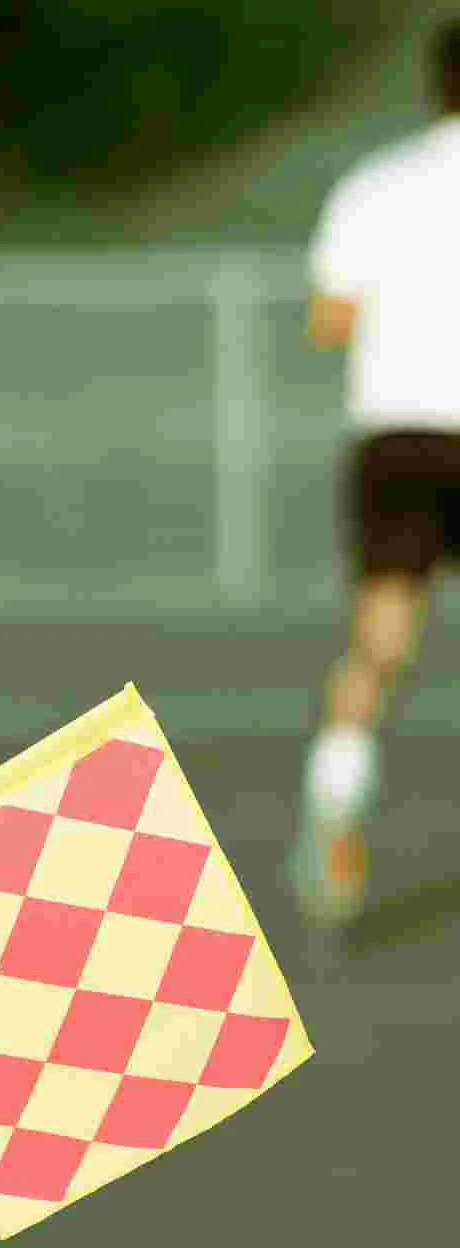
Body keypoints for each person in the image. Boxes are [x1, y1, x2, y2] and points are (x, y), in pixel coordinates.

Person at [290, 18, 460, 925]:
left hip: (401, 440)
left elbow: (331, 320)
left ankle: (337, 803)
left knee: (379, 645)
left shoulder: (375, 183)